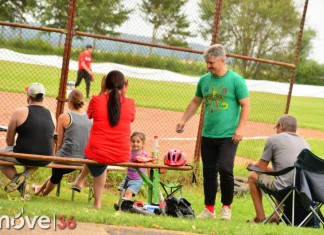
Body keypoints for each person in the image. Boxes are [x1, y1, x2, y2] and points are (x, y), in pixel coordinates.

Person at [176, 44, 250, 220]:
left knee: (225, 168)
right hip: (208, 134)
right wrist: (183, 119)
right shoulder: (204, 80)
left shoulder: (236, 80)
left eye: (211, 63)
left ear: (222, 60)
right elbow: (195, 101)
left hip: (228, 135)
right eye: (207, 63)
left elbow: (245, 104)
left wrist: (240, 128)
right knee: (209, 171)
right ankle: (209, 209)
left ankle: (226, 207)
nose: (208, 66)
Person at [73, 70, 135, 209]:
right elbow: (130, 117)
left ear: (104, 84)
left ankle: (97, 203)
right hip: (121, 154)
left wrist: (102, 92)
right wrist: (124, 94)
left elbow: (89, 115)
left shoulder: (97, 100)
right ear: (124, 85)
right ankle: (80, 183)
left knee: (94, 154)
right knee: (98, 156)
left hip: (98, 153)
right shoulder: (130, 103)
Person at [247, 114, 310, 223]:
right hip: (302, 189)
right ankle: (275, 217)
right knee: (282, 177)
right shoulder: (305, 143)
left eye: (276, 127)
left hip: (284, 189)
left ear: (280, 126)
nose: (276, 130)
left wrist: (253, 165)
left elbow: (261, 168)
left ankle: (260, 217)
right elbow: (285, 169)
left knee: (253, 176)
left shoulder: (274, 139)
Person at [0, 82, 56, 201]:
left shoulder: (20, 112)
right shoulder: (51, 114)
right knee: (37, 152)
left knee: (1, 157)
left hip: (24, 155)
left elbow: (9, 142)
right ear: (43, 98)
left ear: (28, 97)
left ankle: (21, 185)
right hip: (46, 157)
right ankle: (25, 175)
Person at [32, 90, 91, 196]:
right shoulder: (88, 118)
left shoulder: (64, 117)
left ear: (69, 101)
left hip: (66, 158)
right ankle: (39, 188)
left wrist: (56, 157)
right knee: (57, 171)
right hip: (83, 159)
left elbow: (59, 143)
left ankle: (44, 193)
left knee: (56, 174)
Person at [114, 131, 152, 210]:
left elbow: (149, 166)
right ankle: (123, 205)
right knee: (121, 192)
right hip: (127, 178)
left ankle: (123, 208)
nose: (135, 144)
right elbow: (123, 160)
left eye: (138, 142)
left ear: (143, 144)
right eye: (133, 141)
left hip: (137, 180)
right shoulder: (129, 153)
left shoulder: (144, 155)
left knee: (128, 193)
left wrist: (149, 178)